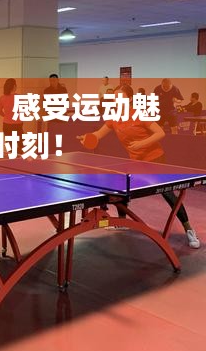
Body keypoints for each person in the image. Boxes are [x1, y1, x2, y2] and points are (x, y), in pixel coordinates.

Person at [78, 84, 200, 249]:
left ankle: (189, 229)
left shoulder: (139, 113)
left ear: (129, 99)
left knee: (168, 194)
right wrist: (87, 138)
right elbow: (98, 135)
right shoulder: (114, 117)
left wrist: (141, 144)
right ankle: (122, 221)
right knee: (121, 188)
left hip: (155, 159)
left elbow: (160, 132)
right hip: (136, 162)